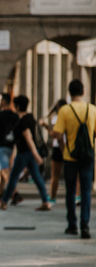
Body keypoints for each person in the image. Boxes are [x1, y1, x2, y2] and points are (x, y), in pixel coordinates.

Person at [52, 79, 95, 239]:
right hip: (88, 157)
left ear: (69, 93)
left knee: (70, 191)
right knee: (85, 192)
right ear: (83, 92)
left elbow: (57, 134)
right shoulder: (92, 109)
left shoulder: (65, 110)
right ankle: (85, 225)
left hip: (70, 157)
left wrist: (65, 147)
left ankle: (72, 225)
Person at [0, 95, 51, 211]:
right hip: (29, 154)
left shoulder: (23, 121)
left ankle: (4, 202)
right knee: (37, 177)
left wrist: (36, 156)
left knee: (13, 178)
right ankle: (46, 201)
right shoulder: (30, 118)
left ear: (17, 106)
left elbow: (29, 138)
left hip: (24, 154)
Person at [39, 99, 67, 204]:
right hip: (68, 147)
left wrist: (46, 126)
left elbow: (55, 134)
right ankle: (76, 196)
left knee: (55, 176)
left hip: (58, 148)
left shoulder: (56, 118)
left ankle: (52, 197)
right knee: (72, 175)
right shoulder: (68, 116)